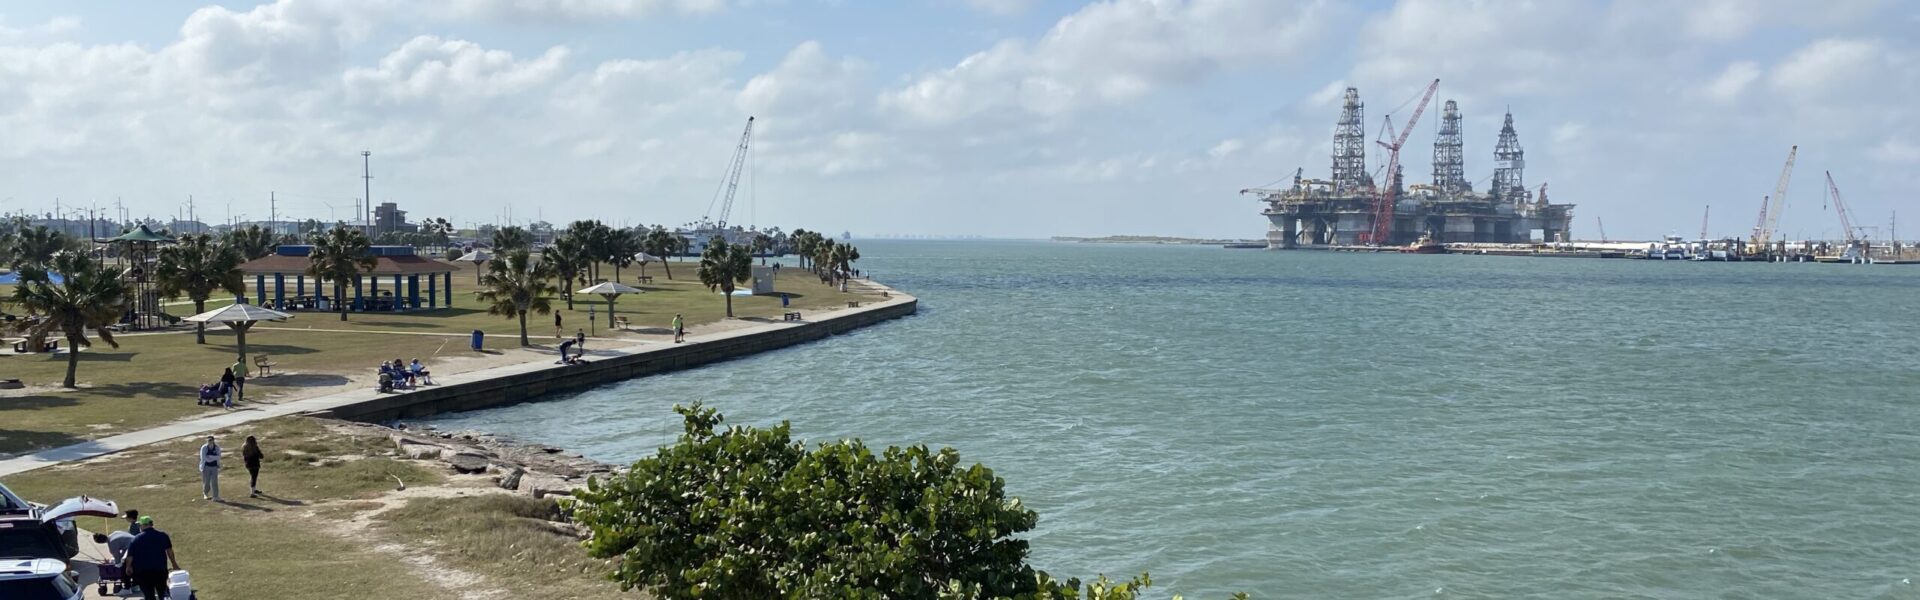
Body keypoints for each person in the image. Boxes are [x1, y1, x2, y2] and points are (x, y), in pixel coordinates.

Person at [125, 515, 179, 600]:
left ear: (142, 525)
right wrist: (174, 564)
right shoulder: (163, 535)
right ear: (151, 524)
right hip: (160, 570)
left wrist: (128, 567)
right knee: (162, 593)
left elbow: (130, 556)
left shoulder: (136, 539)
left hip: (143, 572)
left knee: (149, 595)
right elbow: (169, 551)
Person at [198, 436, 222, 501]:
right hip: (206, 467)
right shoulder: (204, 448)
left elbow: (219, 456)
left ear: (213, 441)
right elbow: (204, 458)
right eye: (209, 440)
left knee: (214, 482)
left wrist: (210, 457)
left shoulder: (216, 447)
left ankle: (215, 496)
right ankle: (205, 494)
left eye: (211, 440)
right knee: (206, 481)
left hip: (214, 466)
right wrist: (213, 458)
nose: (210, 442)